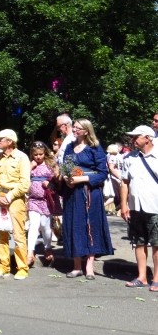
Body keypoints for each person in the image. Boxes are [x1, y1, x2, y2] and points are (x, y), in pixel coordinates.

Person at [59, 118, 113, 280]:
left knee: (90, 225)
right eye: (73, 127)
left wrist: (82, 180)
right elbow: (66, 167)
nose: (74, 130)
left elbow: (103, 173)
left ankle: (89, 266)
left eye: (77, 128)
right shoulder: (69, 147)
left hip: (90, 192)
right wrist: (68, 180)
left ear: (86, 131)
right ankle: (76, 266)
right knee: (74, 225)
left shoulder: (95, 148)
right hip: (72, 193)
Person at [0, 129, 31, 280]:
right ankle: (3, 266)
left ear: (10, 141)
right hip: (0, 198)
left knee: (19, 235)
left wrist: (10, 196)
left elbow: (25, 183)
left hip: (16, 199)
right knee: (1, 234)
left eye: (1, 139)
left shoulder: (22, 158)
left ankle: (22, 268)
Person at [120, 125, 158, 290]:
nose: (133, 139)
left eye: (137, 136)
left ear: (148, 138)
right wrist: (123, 205)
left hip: (155, 207)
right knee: (139, 243)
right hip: (136, 207)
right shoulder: (129, 158)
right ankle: (142, 277)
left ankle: (156, 278)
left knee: (157, 244)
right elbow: (124, 182)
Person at [26, 141, 57, 267]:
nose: (38, 157)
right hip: (33, 200)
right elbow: (23, 177)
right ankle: (30, 252)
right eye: (35, 155)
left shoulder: (49, 165)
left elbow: (56, 180)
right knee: (33, 225)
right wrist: (30, 167)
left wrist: (49, 184)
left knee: (45, 225)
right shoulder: (30, 165)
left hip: (46, 200)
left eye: (40, 154)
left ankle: (47, 247)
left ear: (44, 153)